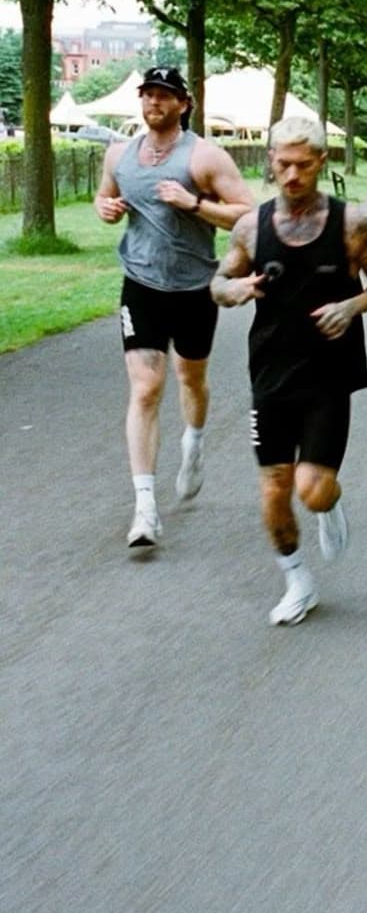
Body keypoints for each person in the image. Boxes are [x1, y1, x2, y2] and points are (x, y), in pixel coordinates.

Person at [211, 118, 367, 625]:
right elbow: (220, 282)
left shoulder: (351, 225)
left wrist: (351, 306)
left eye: (302, 164)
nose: (291, 175)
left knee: (311, 489)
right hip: (269, 373)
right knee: (273, 486)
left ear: (322, 162)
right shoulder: (251, 226)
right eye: (282, 163)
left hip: (329, 374)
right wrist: (234, 290)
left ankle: (329, 503)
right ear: (270, 160)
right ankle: (297, 580)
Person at [94, 66, 255, 550]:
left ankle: (194, 442)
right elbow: (106, 196)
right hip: (141, 284)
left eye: (164, 96)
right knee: (146, 388)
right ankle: (145, 508)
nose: (154, 103)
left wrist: (193, 204)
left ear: (184, 104)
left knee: (191, 378)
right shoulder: (119, 154)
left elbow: (247, 213)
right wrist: (106, 208)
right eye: (148, 94)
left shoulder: (204, 156)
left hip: (194, 287)